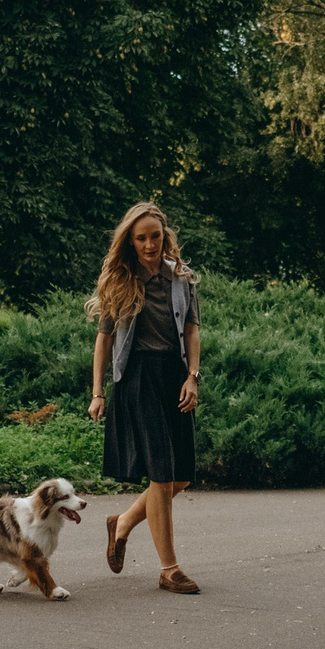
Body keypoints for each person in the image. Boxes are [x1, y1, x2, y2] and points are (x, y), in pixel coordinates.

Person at [87, 201, 202, 594]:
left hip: (174, 376)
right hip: (137, 379)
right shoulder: (122, 280)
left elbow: (191, 331)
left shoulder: (181, 279)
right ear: (130, 242)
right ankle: (169, 569)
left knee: (180, 477)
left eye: (155, 236)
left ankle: (120, 524)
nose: (150, 244)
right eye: (141, 238)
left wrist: (192, 378)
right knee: (161, 473)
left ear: (164, 237)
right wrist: (97, 392)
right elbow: (103, 340)